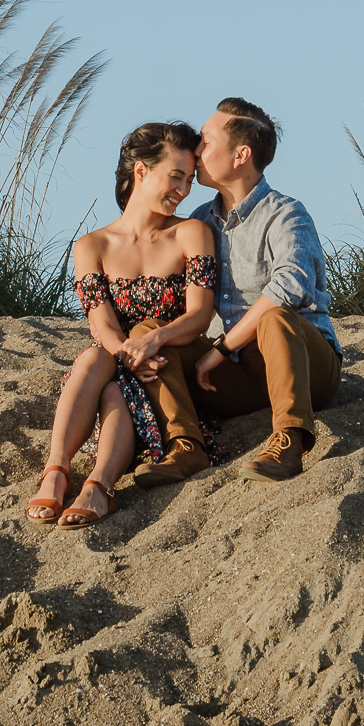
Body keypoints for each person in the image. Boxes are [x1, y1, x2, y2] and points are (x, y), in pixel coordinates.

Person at [135, 97, 342, 485]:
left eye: (207, 142)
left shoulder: (286, 214)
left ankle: (290, 439)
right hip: (236, 376)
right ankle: (186, 446)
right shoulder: (198, 223)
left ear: (240, 155)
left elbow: (289, 286)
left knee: (276, 317)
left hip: (307, 368)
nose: (196, 150)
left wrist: (221, 348)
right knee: (150, 332)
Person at [24, 120, 220, 529]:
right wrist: (129, 356)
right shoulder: (92, 245)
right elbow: (102, 324)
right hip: (118, 360)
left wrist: (154, 342)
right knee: (96, 361)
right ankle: (57, 471)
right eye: (175, 177)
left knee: (116, 382)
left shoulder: (192, 233)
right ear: (141, 171)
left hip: (169, 366)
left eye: (189, 181)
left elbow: (200, 315)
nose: (183, 191)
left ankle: (99, 485)